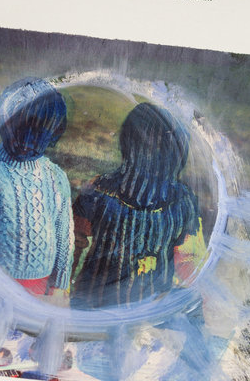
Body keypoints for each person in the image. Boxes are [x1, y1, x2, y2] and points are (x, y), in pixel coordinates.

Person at [71, 102, 202, 308]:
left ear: (127, 143)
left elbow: (74, 244)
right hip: (147, 310)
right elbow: (189, 262)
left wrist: (61, 290)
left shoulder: (99, 190)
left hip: (95, 305)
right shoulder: (183, 200)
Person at [0, 78, 74, 298]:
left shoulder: (56, 177)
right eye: (19, 130)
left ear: (53, 134)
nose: (26, 142)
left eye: (38, 135)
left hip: (41, 282)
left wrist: (60, 283)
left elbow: (63, 234)